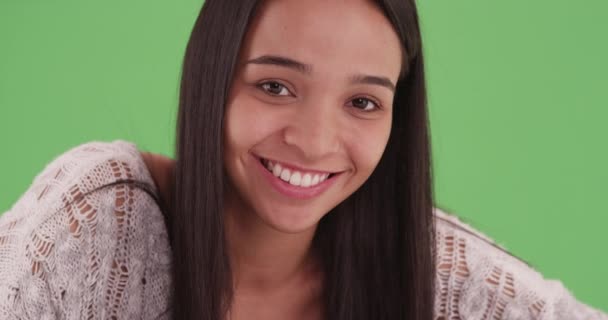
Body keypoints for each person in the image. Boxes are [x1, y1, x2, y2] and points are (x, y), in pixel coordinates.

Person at [0, 0, 606, 319]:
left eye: (363, 101)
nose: (315, 142)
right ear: (214, 78)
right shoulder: (95, 224)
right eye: (275, 87)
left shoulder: (439, 276)